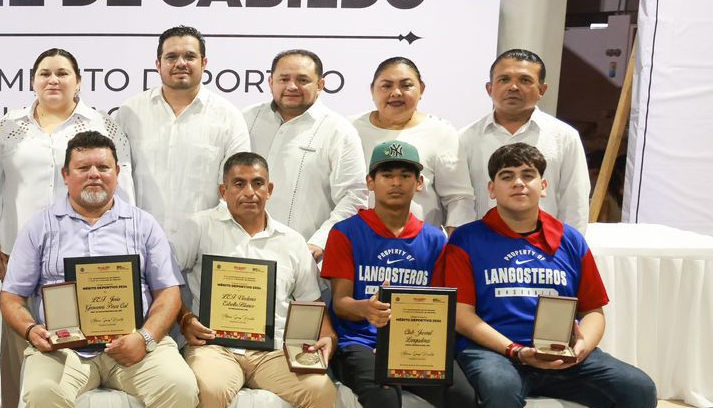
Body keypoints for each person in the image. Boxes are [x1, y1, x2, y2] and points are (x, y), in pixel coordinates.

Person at [434, 142, 661, 408]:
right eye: (507, 176)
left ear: (543, 185)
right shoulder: (466, 240)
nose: (517, 183)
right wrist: (515, 350)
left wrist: (582, 348)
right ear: (491, 188)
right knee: (499, 389)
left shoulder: (569, 240)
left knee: (638, 388)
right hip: (496, 352)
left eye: (526, 175)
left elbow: (593, 310)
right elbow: (461, 316)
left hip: (563, 355)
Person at [320, 141, 524, 408]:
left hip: (420, 347)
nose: (396, 182)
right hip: (362, 344)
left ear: (419, 183)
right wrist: (366, 309)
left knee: (467, 396)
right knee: (381, 397)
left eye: (405, 175)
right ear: (370, 182)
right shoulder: (346, 233)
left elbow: (440, 305)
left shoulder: (434, 239)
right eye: (387, 174)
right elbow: (339, 302)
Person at [1, 131, 197, 408]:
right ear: (65, 175)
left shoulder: (142, 224)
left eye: (103, 167)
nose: (94, 175)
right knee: (40, 392)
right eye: (84, 168)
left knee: (180, 387)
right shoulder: (40, 227)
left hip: (134, 344)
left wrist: (144, 338)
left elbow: (168, 293)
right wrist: (32, 330)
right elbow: (11, 295)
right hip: (65, 349)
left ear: (117, 173)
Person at [174, 152, 336, 408]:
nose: (250, 192)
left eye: (258, 183)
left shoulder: (291, 241)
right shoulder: (198, 227)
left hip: (273, 352)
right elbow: (165, 283)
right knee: (209, 388)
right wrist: (185, 319)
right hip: (215, 346)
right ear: (223, 190)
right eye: (239, 184)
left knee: (321, 391)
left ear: (270, 189)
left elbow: (311, 303)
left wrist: (325, 336)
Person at [0, 48, 133, 408]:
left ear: (79, 81)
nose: (53, 80)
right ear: (32, 80)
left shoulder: (103, 125)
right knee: (23, 343)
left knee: (80, 348)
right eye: (45, 73)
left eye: (63, 73)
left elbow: (122, 188)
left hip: (88, 255)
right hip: (19, 253)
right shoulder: (8, 127)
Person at [117, 25, 249, 267]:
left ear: (204, 62)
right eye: (171, 57)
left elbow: (237, 187)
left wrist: (202, 238)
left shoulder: (228, 116)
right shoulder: (129, 112)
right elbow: (117, 182)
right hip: (138, 249)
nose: (181, 63)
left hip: (205, 253)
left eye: (189, 56)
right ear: (158, 64)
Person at [242, 49, 365, 262]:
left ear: (320, 85)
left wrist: (321, 241)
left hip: (305, 258)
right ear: (271, 82)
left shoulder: (338, 130)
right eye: (284, 79)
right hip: (241, 254)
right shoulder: (246, 119)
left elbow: (353, 196)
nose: (291, 86)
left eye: (302, 80)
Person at [457, 49, 590, 229]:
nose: (513, 87)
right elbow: (460, 201)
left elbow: (575, 202)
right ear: (490, 88)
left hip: (543, 249)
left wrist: (569, 250)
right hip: (481, 248)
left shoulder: (565, 137)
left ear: (542, 89)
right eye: (504, 79)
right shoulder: (464, 138)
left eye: (525, 80)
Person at [349, 57, 475, 230]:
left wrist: (456, 244)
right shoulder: (350, 129)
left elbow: (458, 198)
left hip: (422, 248)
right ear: (372, 90)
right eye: (386, 85)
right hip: (358, 243)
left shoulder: (440, 131)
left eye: (406, 85)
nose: (396, 93)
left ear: (421, 89)